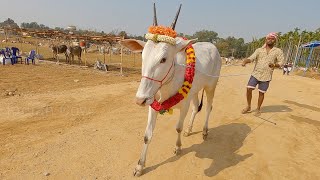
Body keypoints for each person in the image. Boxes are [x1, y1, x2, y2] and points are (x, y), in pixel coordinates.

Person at [241, 32, 284, 116]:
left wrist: (274, 65)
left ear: (275, 40)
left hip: (266, 76)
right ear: (266, 39)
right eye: (269, 38)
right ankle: (248, 106)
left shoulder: (278, 51)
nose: (270, 40)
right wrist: (245, 61)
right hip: (256, 74)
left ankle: (258, 108)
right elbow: (251, 58)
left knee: (261, 93)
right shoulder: (259, 50)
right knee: (249, 88)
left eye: (272, 39)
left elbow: (281, 62)